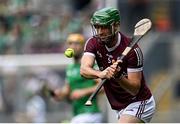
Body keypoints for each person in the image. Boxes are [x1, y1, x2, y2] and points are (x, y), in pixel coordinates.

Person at [80, 7, 156, 123]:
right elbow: (84, 70)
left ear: (115, 26)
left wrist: (118, 76)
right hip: (119, 106)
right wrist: (101, 74)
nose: (100, 31)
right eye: (97, 27)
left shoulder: (133, 51)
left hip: (139, 102)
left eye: (104, 27)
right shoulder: (93, 43)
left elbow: (134, 89)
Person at [51, 33, 103, 123]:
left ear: (83, 46)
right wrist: (60, 94)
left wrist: (84, 92)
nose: (73, 46)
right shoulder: (70, 68)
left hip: (90, 113)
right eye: (70, 43)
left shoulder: (89, 65)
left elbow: (103, 86)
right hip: (77, 113)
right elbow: (67, 90)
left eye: (76, 43)